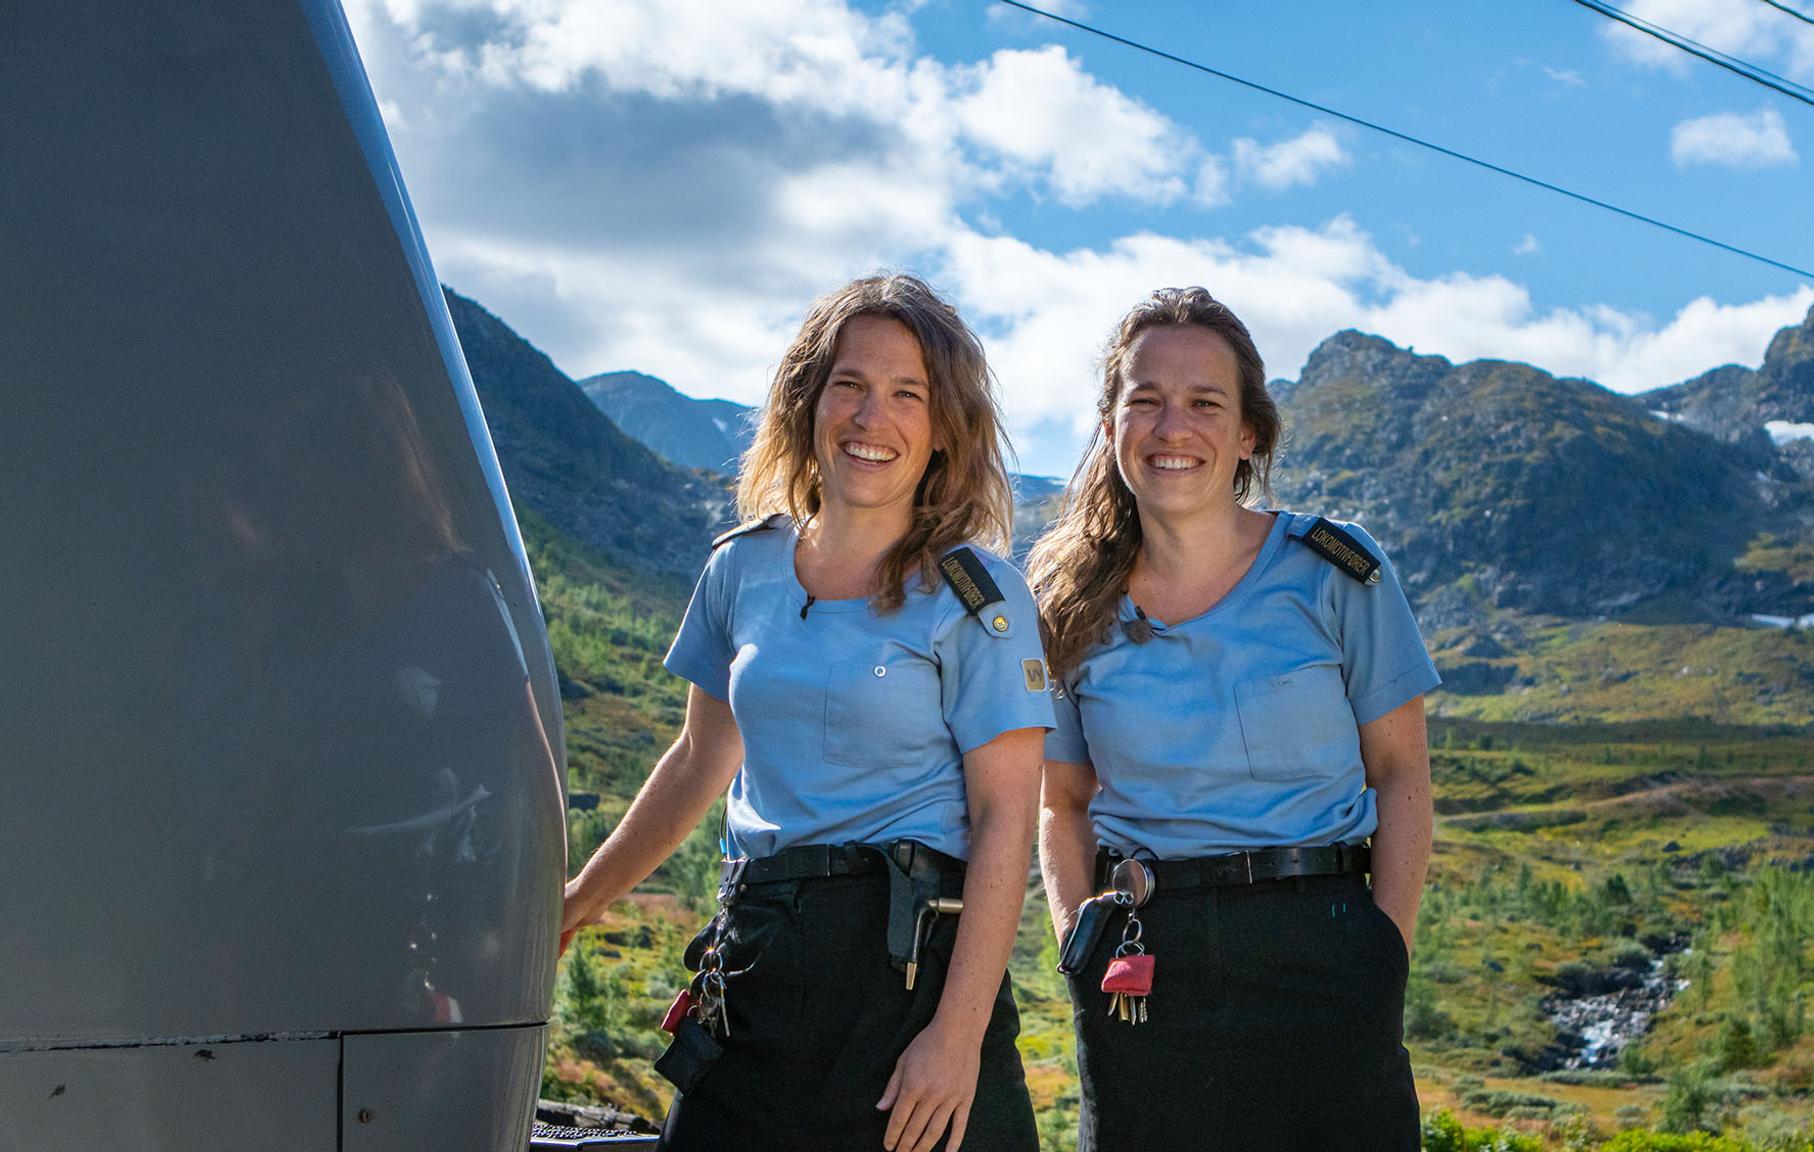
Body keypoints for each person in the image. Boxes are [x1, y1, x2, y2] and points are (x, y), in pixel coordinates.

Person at [561, 274, 1050, 1152]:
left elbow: (1006, 817)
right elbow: (695, 763)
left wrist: (956, 1038)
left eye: (909, 394)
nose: (873, 418)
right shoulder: (739, 570)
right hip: (757, 961)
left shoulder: (979, 597)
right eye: (851, 385)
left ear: (943, 431)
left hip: (912, 980)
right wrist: (576, 902)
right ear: (808, 400)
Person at [1030, 287, 1438, 1150]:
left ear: (1249, 433)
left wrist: (1381, 957)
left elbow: (1402, 774)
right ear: (1110, 427)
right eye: (1145, 401)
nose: (1172, 427)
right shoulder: (1065, 602)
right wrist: (1080, 947)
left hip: (1324, 952)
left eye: (1204, 404)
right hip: (1143, 962)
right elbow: (1061, 802)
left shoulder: (1337, 571)